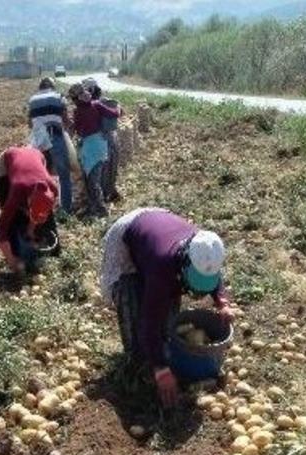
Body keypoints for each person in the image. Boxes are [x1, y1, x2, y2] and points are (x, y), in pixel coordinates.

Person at [100, 208, 235, 407]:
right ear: (185, 261)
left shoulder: (206, 250)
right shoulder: (163, 265)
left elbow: (213, 275)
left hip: (158, 231)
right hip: (127, 233)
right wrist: (161, 370)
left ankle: (159, 355)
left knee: (167, 318)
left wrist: (222, 302)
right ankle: (139, 363)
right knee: (133, 299)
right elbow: (150, 321)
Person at [0, 146, 59, 275]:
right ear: (29, 201)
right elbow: (1, 229)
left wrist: (31, 229)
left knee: (41, 223)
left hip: (36, 155)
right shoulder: (17, 190)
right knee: (11, 216)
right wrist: (11, 260)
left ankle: (46, 249)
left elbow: (42, 211)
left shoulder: (53, 187)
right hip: (8, 160)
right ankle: (16, 251)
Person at [68, 82, 121, 218]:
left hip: (90, 146)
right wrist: (118, 108)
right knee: (93, 180)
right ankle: (96, 207)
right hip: (97, 144)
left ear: (74, 99)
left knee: (92, 180)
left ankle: (101, 210)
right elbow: (114, 114)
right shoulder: (96, 104)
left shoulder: (77, 111)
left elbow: (78, 130)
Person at [27, 77, 74, 215]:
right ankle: (66, 210)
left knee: (42, 175)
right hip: (55, 136)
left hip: (39, 140)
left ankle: (45, 209)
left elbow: (30, 123)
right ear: (52, 86)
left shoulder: (32, 100)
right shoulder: (58, 97)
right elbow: (65, 120)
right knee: (64, 174)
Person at [84, 78, 122, 202]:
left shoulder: (86, 106)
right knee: (112, 167)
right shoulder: (103, 102)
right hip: (110, 138)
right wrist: (119, 108)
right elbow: (117, 113)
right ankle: (109, 192)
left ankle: (101, 196)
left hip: (96, 142)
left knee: (99, 171)